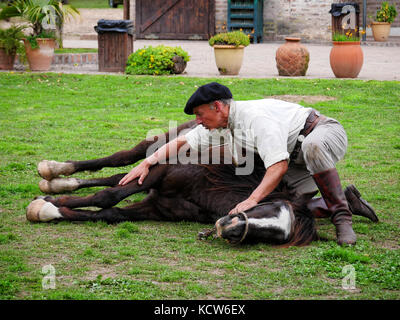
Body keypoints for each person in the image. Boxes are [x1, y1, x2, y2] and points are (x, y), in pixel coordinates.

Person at [119, 82, 378, 245]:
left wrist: (252, 199)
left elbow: (278, 166)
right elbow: (183, 142)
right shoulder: (222, 123)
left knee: (313, 147)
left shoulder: (255, 119)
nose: (198, 120)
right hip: (296, 156)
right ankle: (346, 200)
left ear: (217, 106)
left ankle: (342, 219)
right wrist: (148, 161)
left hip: (320, 134)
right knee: (286, 204)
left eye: (200, 114)